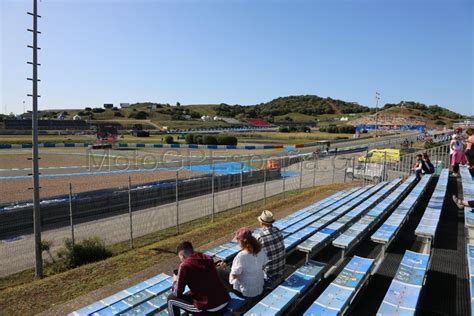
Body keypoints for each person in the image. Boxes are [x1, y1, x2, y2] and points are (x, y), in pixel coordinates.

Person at [167, 241, 229, 316]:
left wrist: (175, 280)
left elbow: (177, 293)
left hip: (210, 309)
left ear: (182, 255)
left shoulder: (185, 265)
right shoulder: (207, 257)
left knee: (171, 299)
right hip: (224, 300)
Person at [228, 228, 267, 298]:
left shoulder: (241, 256)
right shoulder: (261, 250)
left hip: (246, 291)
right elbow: (263, 266)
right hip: (259, 286)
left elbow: (234, 275)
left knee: (222, 275)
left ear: (241, 242)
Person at [256, 210, 285, 287]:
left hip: (269, 273)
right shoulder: (278, 230)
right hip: (281, 269)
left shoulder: (260, 236)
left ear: (261, 223)